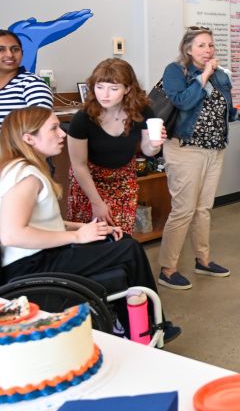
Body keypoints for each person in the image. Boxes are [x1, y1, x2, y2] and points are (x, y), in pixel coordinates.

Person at [0, 107, 179, 342]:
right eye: (53, 128)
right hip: (32, 265)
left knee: (120, 238)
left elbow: (43, 221)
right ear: (28, 138)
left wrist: (86, 228)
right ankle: (147, 328)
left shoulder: (22, 168)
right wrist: (77, 237)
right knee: (129, 249)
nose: (62, 134)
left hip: (40, 255)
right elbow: (12, 235)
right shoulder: (27, 176)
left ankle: (133, 325)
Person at [157, 27, 240, 290]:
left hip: (215, 148)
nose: (208, 50)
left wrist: (239, 112)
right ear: (188, 49)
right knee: (183, 209)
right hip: (185, 148)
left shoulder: (221, 75)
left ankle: (203, 260)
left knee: (203, 208)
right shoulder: (176, 71)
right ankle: (168, 268)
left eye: (210, 45)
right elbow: (183, 102)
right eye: (201, 46)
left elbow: (224, 108)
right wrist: (204, 75)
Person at [67, 58, 163, 232]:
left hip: (123, 179)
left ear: (127, 89)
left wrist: (155, 144)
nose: (105, 94)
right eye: (99, 87)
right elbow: (78, 165)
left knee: (121, 235)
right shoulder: (82, 118)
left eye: (113, 88)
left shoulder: (142, 112)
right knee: (90, 237)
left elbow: (149, 150)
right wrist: (96, 202)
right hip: (89, 182)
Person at [0, 28, 53, 127]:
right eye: (1, 49)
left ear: (22, 53)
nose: (10, 54)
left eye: (15, 49)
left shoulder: (32, 83)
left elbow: (41, 127)